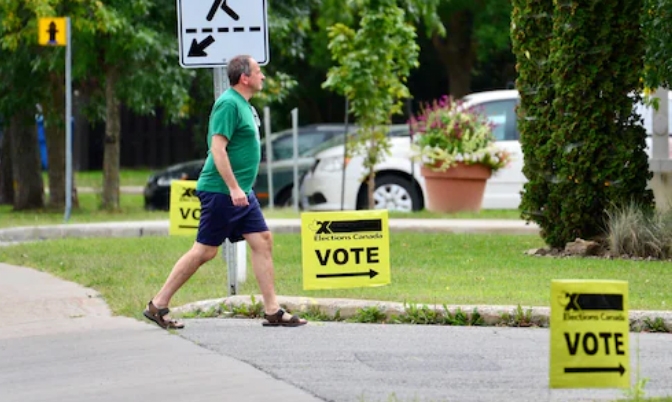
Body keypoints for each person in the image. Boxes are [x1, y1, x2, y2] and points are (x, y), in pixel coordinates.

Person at [143, 55, 307, 329]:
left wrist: (239, 189)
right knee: (205, 251)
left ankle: (272, 310)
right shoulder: (228, 104)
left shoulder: (245, 105)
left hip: (240, 192)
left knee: (263, 240)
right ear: (244, 77)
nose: (262, 76)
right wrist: (232, 188)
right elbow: (217, 149)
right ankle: (158, 305)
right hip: (222, 191)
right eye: (258, 71)